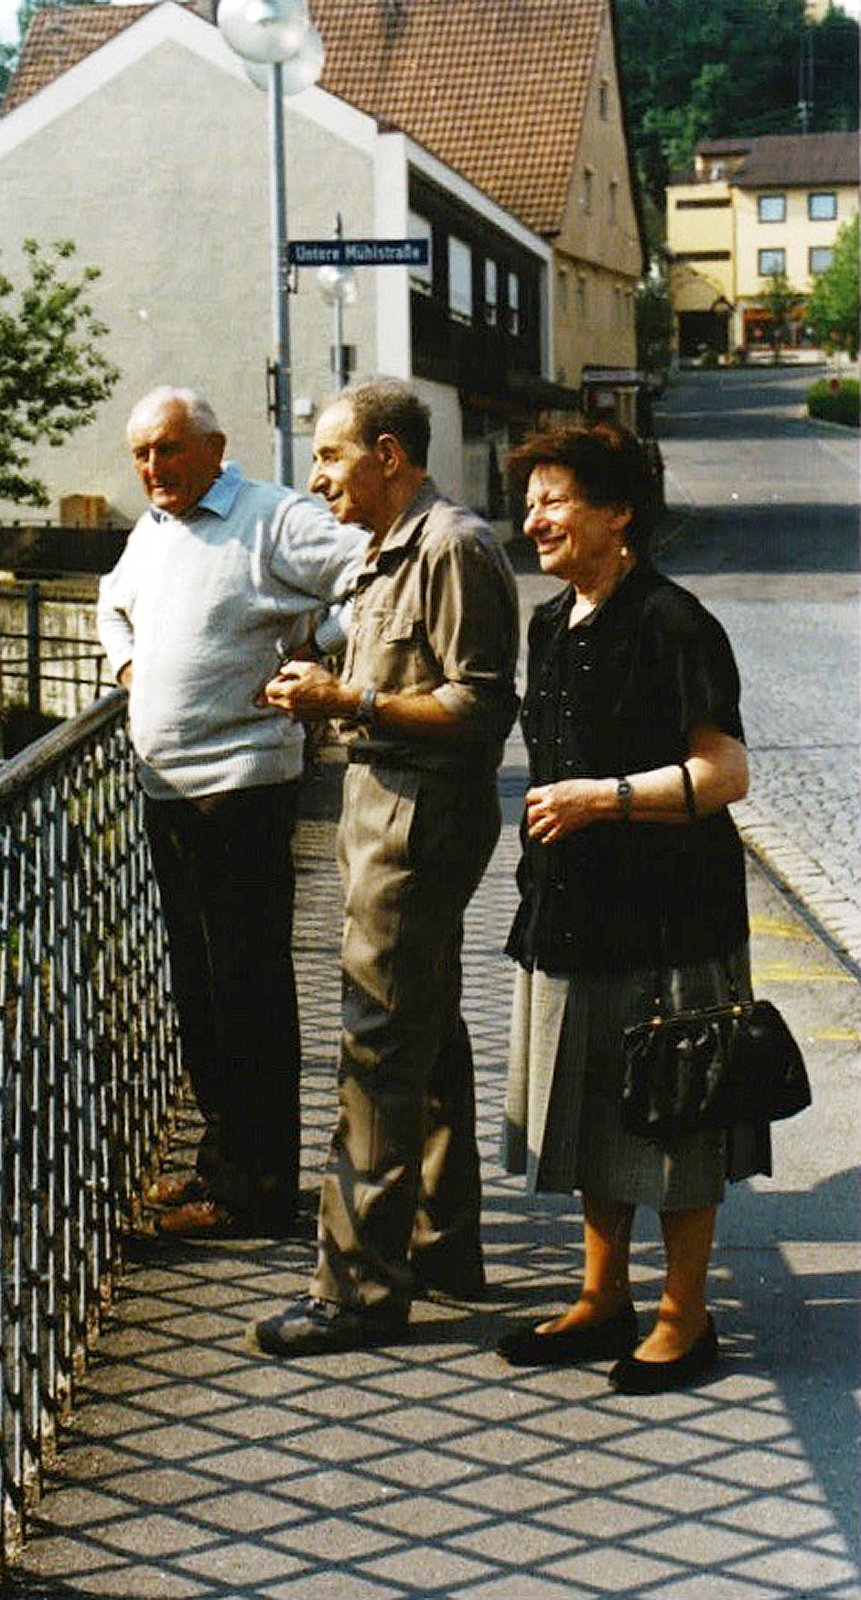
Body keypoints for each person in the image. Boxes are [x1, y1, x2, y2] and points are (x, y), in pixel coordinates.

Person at [496, 421, 767, 1395]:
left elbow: (724, 771)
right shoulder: (548, 622)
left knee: (675, 1117)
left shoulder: (672, 621)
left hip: (671, 915)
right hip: (571, 905)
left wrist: (601, 799)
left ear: (619, 513)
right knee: (591, 1110)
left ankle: (682, 1318)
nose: (535, 519)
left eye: (555, 500)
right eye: (529, 503)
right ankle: (600, 1296)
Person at [252, 378, 520, 1356]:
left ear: (388, 457)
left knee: (373, 1050)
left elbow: (480, 707)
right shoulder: (390, 549)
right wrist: (327, 692)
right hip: (389, 815)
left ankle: (355, 1289)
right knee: (427, 1033)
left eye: (330, 456)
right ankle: (438, 1243)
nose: (317, 476)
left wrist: (346, 700)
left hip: (414, 825)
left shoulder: (449, 547)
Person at [96, 386, 365, 1237]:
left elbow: (374, 573)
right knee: (201, 994)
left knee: (246, 994)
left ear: (214, 446)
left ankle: (254, 1192)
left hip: (241, 788)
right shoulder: (156, 529)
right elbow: (111, 604)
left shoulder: (271, 517)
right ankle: (221, 1164)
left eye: (168, 450)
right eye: (141, 454)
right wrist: (131, 668)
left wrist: (316, 650)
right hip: (168, 792)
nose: (153, 468)